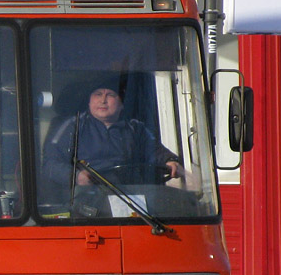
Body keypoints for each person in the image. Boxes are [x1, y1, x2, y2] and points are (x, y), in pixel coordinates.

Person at [42, 76, 181, 193]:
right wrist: (76, 177)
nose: (103, 100)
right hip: (87, 198)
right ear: (89, 102)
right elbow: (50, 164)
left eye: (110, 95)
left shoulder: (135, 129)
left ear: (122, 104)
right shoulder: (73, 126)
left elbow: (155, 151)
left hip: (130, 196)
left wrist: (169, 161)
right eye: (98, 94)